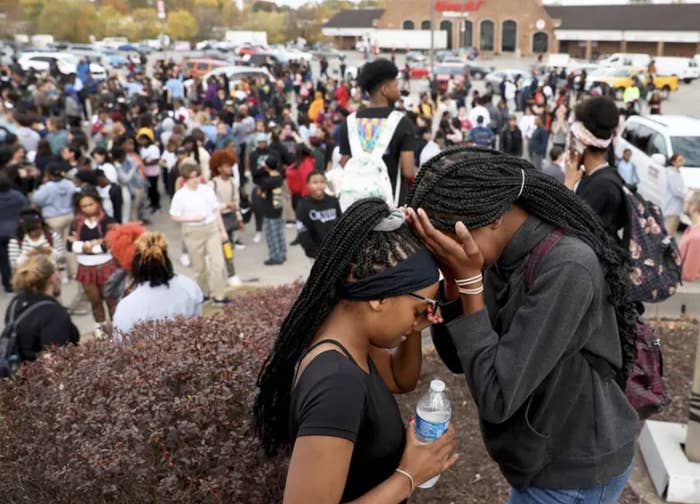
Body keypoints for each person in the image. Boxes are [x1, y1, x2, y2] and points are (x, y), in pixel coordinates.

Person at [407, 147, 638, 504]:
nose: (449, 251)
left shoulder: (567, 268)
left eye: (447, 239)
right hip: (540, 456)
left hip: (570, 469)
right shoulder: (498, 250)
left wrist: (470, 283)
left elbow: (497, 396)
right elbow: (459, 359)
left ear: (494, 217)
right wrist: (454, 282)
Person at [255, 198, 458, 504]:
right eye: (420, 308)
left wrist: (414, 325)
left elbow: (400, 381)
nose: (424, 317)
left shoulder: (349, 343)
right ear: (379, 299)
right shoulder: (337, 384)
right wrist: (408, 477)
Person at [339, 58, 416, 206]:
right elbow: (408, 171)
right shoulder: (402, 122)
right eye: (396, 85)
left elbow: (345, 162)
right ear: (385, 90)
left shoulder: (349, 122)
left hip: (356, 207)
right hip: (390, 205)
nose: (398, 89)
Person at [112, 232, 204, 335]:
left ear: (135, 265)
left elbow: (122, 344)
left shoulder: (127, 306)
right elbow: (198, 328)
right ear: (166, 259)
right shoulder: (189, 286)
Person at [565, 97, 627, 239]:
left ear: (581, 141)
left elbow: (569, 233)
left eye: (572, 137)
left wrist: (568, 184)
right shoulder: (603, 177)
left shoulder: (602, 187)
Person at [169, 160, 229, 305]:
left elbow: (216, 210)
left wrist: (223, 231)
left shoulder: (206, 189)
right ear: (185, 179)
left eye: (198, 176)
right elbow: (174, 215)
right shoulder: (180, 195)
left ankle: (219, 296)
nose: (196, 180)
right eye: (193, 177)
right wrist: (191, 218)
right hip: (192, 232)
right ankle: (204, 293)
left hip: (211, 229)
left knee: (218, 264)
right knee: (200, 268)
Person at [6, 255, 79, 362]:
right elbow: (54, 362)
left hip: (18, 371)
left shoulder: (16, 302)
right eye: (57, 270)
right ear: (51, 278)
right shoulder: (54, 315)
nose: (59, 275)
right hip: (40, 375)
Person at [66, 188, 117, 336]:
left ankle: (117, 328)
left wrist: (84, 246)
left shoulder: (108, 220)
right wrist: (92, 245)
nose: (88, 208)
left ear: (98, 203)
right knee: (95, 301)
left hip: (106, 266)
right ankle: (100, 328)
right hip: (86, 267)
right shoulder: (76, 223)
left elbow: (109, 244)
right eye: (84, 206)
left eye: (91, 204)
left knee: (111, 301)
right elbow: (69, 245)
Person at [208, 149, 243, 286]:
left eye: (230, 165)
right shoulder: (213, 184)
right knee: (221, 247)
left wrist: (239, 217)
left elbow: (236, 201)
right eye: (227, 166)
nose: (230, 169)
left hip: (230, 218)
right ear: (218, 168)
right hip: (217, 219)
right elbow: (212, 205)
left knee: (228, 247)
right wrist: (226, 205)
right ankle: (230, 273)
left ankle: (229, 273)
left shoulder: (233, 183)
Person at [295, 171, 342, 260]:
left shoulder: (333, 201)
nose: (319, 185)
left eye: (322, 182)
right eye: (315, 182)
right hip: (315, 253)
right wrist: (314, 251)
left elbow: (341, 223)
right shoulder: (303, 204)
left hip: (334, 250)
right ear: (308, 185)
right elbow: (302, 230)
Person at [32, 162, 77, 251]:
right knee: (66, 244)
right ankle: (68, 262)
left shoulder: (48, 187)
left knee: (55, 245)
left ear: (48, 174)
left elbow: (37, 200)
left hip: (53, 219)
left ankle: (59, 263)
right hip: (69, 216)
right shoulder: (69, 184)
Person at [254, 155, 287, 266]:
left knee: (271, 234)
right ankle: (282, 254)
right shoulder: (279, 177)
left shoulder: (267, 182)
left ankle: (275, 257)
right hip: (278, 208)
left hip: (269, 209)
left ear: (267, 166)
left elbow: (262, 194)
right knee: (279, 233)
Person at [0, 172, 27, 292]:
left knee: (4, 260)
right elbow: (25, 210)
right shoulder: (18, 196)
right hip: (16, 231)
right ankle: (23, 280)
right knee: (19, 257)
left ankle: (8, 284)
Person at [286, 143, 317, 211]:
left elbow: (307, 180)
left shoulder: (306, 163)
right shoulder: (300, 162)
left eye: (294, 150)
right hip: (297, 196)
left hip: (302, 197)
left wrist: (305, 199)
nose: (292, 152)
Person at [137, 129, 161, 213]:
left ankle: (157, 205)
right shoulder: (142, 149)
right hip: (146, 172)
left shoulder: (153, 148)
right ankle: (151, 203)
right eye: (141, 139)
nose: (142, 141)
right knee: (149, 189)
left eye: (144, 139)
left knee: (154, 189)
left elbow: (155, 160)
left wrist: (144, 162)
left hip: (154, 172)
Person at [664, 153, 687, 237]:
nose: (683, 162)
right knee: (669, 232)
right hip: (672, 207)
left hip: (676, 207)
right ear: (673, 162)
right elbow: (676, 191)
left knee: (672, 231)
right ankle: (664, 248)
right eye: (680, 160)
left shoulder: (677, 173)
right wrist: (687, 196)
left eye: (683, 160)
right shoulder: (672, 174)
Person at [680, 191, 700, 282]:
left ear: (694, 207)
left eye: (686, 201)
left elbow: (688, 274)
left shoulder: (696, 237)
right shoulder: (692, 229)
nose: (683, 203)